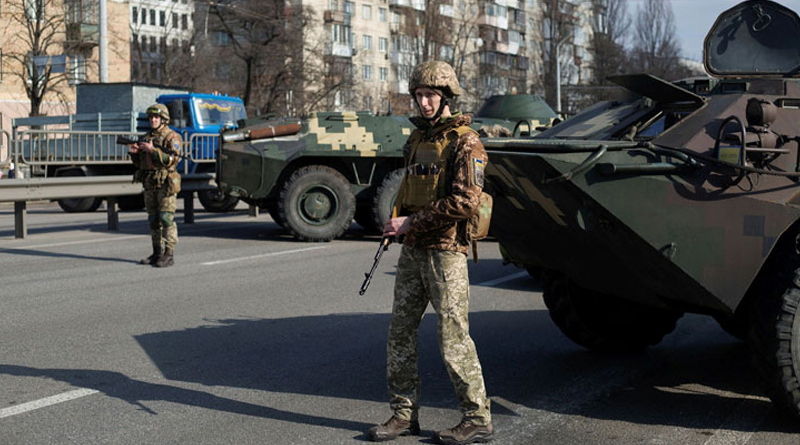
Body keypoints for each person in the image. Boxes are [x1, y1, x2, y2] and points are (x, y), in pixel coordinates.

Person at [367, 61, 493, 445]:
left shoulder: (465, 141)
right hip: (414, 250)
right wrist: (397, 223)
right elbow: (408, 190)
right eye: (419, 95)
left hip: (446, 252)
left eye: (431, 96)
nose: (423, 102)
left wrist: (409, 224)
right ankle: (404, 415)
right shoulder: (417, 141)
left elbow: (465, 202)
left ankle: (477, 417)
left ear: (446, 98)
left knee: (453, 337)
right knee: (400, 333)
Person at [128, 103, 182, 268]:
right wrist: (134, 154)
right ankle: (157, 252)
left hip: (165, 183)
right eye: (151, 117)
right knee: (153, 219)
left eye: (156, 117)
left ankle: (169, 253)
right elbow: (141, 164)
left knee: (166, 218)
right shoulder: (146, 137)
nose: (153, 120)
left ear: (164, 119)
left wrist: (153, 150)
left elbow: (173, 159)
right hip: (149, 182)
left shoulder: (171, 137)